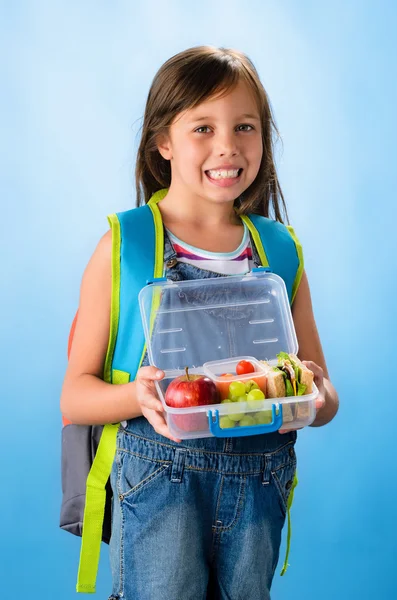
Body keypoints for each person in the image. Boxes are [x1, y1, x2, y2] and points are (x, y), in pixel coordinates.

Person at [61, 45, 339, 600]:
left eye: (245, 127)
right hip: (158, 480)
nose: (228, 146)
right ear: (163, 141)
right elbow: (75, 397)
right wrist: (136, 398)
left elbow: (324, 396)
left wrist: (311, 396)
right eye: (203, 128)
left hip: (259, 482)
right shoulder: (127, 247)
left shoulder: (281, 252)